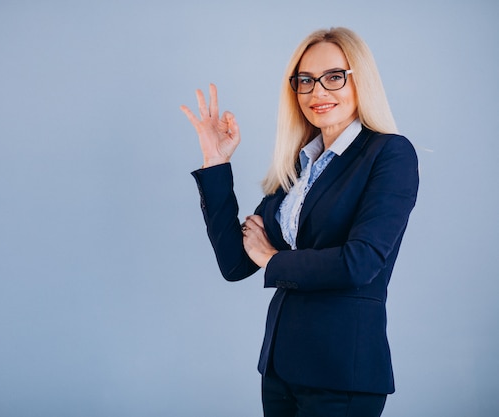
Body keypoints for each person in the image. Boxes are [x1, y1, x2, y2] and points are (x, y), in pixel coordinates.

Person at [180, 27, 419, 417]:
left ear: (362, 80)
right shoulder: (299, 164)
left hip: (341, 372)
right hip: (280, 368)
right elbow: (236, 262)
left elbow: (359, 263)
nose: (317, 92)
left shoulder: (389, 154)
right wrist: (216, 161)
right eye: (305, 81)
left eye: (334, 77)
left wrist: (272, 258)